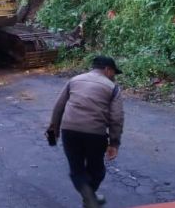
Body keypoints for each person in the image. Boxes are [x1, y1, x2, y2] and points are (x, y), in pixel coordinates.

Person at [48, 55, 125, 208]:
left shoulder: (74, 80)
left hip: (69, 131)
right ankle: (89, 199)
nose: (114, 77)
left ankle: (89, 197)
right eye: (113, 73)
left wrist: (53, 132)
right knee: (97, 171)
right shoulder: (112, 88)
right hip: (95, 133)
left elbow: (59, 107)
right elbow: (116, 118)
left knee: (77, 170)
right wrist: (114, 143)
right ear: (107, 70)